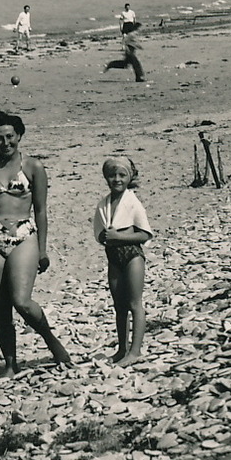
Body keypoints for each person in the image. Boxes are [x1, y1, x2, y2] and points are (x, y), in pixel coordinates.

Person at [0, 110, 73, 375]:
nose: (5, 143)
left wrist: (43, 248)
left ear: (20, 135)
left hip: (24, 234)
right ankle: (11, 363)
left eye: (10, 137)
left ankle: (52, 341)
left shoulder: (34, 167)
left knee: (21, 300)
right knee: (0, 306)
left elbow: (41, 210)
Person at [93, 156, 153, 366]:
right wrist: (106, 238)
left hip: (132, 255)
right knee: (119, 305)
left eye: (121, 175)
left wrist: (119, 237)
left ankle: (135, 351)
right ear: (106, 178)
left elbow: (145, 234)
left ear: (129, 177)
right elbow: (100, 234)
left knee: (135, 303)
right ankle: (122, 349)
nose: (116, 179)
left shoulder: (133, 202)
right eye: (112, 175)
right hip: (113, 258)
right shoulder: (104, 205)